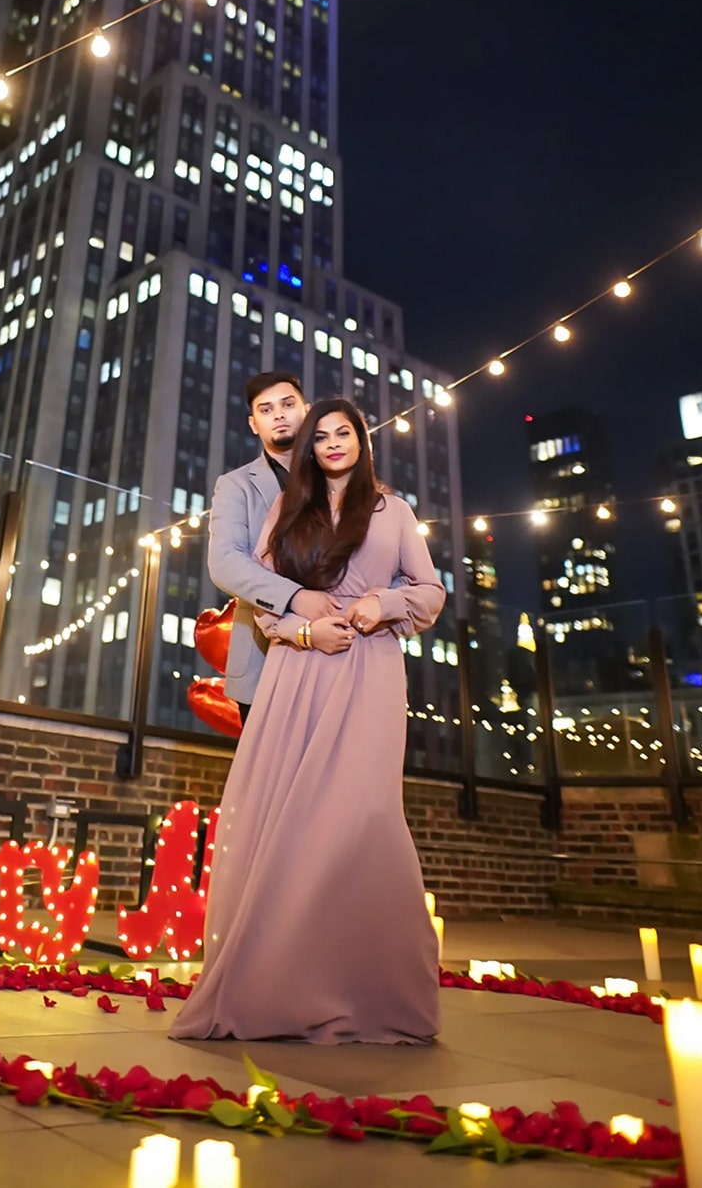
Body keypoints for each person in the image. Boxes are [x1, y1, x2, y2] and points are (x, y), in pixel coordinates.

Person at [172, 396, 445, 1045]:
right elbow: (263, 605)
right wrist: (304, 631)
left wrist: (386, 601)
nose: (331, 442)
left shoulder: (394, 511)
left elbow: (432, 593)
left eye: (342, 431)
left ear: (360, 439)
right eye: (320, 435)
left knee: (365, 816)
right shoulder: (287, 511)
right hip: (298, 673)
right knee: (291, 820)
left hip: (371, 671)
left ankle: (374, 992)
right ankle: (275, 985)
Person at [206, 373, 344, 728]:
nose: (279, 415)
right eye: (266, 410)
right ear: (254, 424)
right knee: (267, 783)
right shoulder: (235, 485)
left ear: (308, 411)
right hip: (262, 661)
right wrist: (294, 597)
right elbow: (224, 563)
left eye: (288, 405)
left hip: (343, 654)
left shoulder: (344, 476)